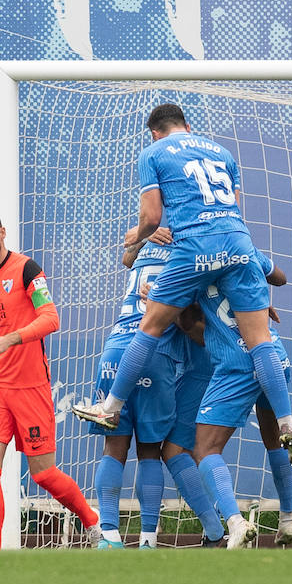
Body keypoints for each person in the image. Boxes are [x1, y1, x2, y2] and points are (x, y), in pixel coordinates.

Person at [73, 104, 292, 470]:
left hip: (196, 247)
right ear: (188, 125)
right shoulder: (222, 152)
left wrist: (138, 235)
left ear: (154, 132)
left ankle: (110, 408)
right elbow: (234, 212)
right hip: (239, 243)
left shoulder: (152, 153)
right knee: (260, 340)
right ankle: (287, 423)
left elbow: (151, 218)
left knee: (149, 324)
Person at [0, 210, 100, 548]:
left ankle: (91, 521)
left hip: (30, 387)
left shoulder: (27, 270)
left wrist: (10, 339)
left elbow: (51, 318)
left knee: (43, 474)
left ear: (2, 233)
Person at [86, 227, 225, 549]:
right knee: (151, 451)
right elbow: (198, 322)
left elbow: (126, 257)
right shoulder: (193, 255)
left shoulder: (150, 239)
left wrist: (140, 236)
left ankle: (109, 537)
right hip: (155, 355)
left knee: (113, 448)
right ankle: (148, 540)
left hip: (115, 351)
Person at [177, 248, 292, 549]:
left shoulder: (192, 261)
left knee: (204, 448)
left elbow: (186, 324)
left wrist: (194, 312)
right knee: (273, 438)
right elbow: (281, 277)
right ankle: (288, 516)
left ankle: (236, 522)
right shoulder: (244, 249)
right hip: (275, 357)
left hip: (238, 364)